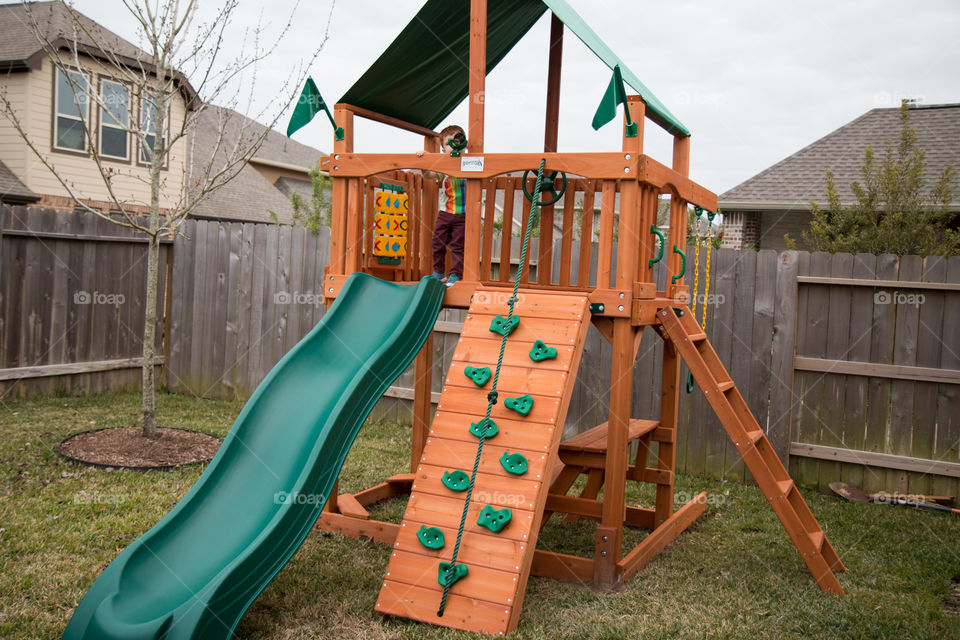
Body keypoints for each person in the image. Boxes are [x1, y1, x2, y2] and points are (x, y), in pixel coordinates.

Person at [417, 124, 466, 287]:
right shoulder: (443, 165)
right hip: (445, 212)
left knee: (458, 246)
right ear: (443, 149)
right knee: (437, 242)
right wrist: (424, 161)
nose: (453, 145)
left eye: (457, 141)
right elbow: (429, 175)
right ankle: (438, 272)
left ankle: (455, 275)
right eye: (448, 143)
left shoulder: (468, 162)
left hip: (463, 214)